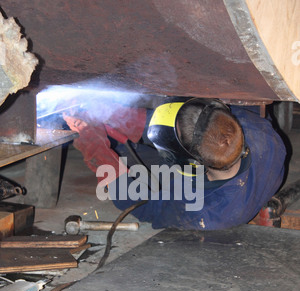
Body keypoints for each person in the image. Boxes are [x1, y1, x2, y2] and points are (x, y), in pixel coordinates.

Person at [64, 98, 287, 231]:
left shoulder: (202, 211)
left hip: (211, 196)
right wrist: (120, 117)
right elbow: (192, 126)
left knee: (126, 167)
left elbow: (140, 205)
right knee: (134, 153)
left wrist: (97, 151)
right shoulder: (254, 128)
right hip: (249, 167)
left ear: (192, 164)